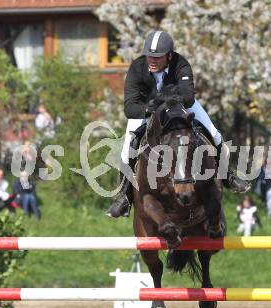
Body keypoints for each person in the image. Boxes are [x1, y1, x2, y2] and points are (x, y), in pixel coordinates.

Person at [106, 30, 250, 218]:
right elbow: (130, 108)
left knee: (215, 136)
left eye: (157, 57)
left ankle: (227, 176)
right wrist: (150, 109)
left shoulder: (181, 64)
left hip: (179, 107)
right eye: (150, 55)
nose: (152, 60)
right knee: (126, 150)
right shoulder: (137, 68)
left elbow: (188, 98)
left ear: (169, 55)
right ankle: (124, 197)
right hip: (147, 111)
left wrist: (165, 103)